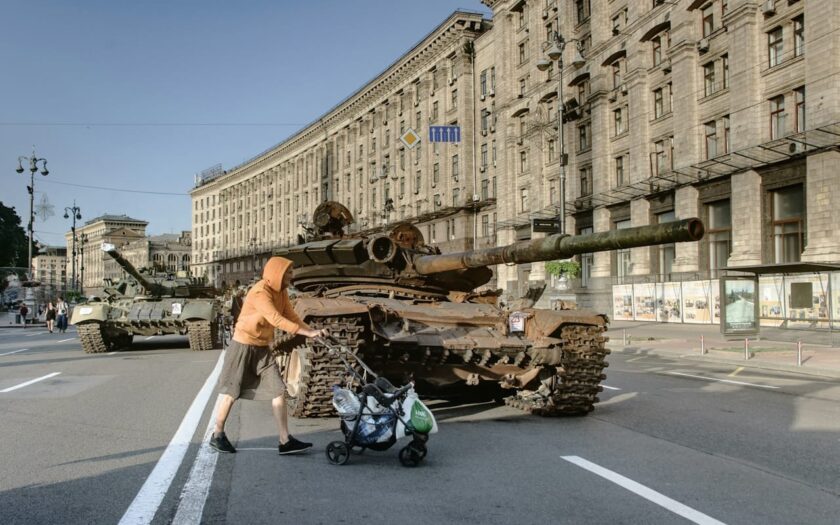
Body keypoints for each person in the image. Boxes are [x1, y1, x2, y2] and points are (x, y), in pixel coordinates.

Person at [210, 257, 327, 455]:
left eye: (291, 272)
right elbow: (275, 318)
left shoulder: (280, 292)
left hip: (263, 348)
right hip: (243, 345)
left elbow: (291, 316)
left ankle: (284, 440)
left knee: (278, 390)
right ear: (276, 273)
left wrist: (313, 331)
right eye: (288, 272)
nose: (291, 275)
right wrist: (306, 333)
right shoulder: (259, 292)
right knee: (232, 392)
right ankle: (217, 434)